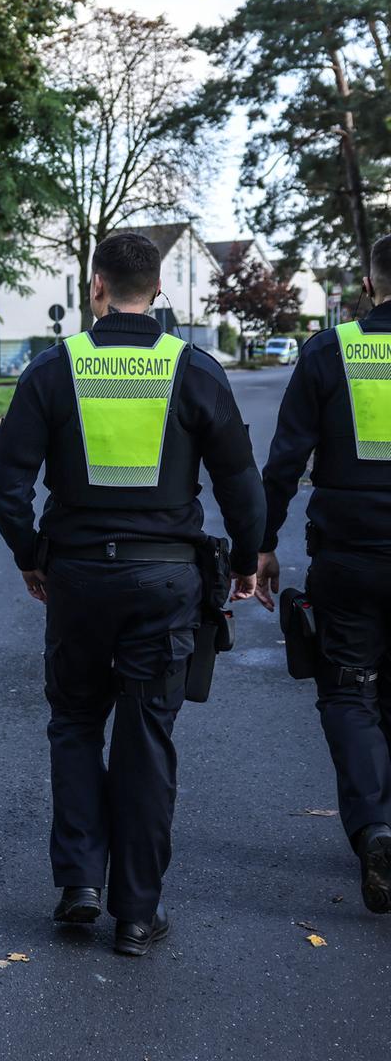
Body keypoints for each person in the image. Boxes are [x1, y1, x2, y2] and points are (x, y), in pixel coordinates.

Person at [0, 231, 263, 956]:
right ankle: (137, 912)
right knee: (147, 737)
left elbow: (6, 485)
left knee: (76, 722)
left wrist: (32, 554)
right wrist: (242, 559)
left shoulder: (53, 370)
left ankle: (79, 882)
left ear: (95, 287)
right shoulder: (194, 370)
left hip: (78, 578)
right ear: (161, 287)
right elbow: (239, 478)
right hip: (166, 580)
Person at [256, 233, 391, 912]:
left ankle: (374, 828)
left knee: (348, 691)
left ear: (369, 285)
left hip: (351, 554)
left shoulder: (331, 349)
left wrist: (262, 540)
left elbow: (285, 458)